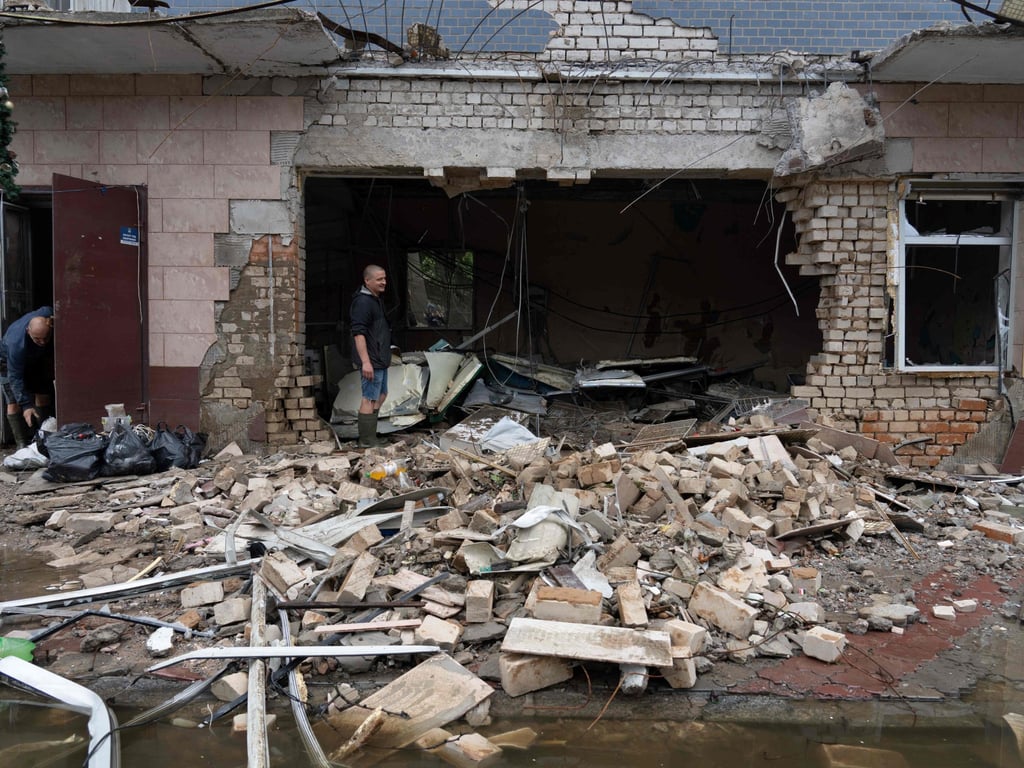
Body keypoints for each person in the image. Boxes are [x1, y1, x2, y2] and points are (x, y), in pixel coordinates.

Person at [0, 306, 54, 448]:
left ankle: (44, 437)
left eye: (46, 337)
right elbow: (15, 377)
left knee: (43, 395)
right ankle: (21, 445)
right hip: (8, 364)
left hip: (34, 360)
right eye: (38, 339)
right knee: (13, 403)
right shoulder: (16, 344)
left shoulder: (47, 315)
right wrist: (25, 405)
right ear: (28, 331)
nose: (43, 342)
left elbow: (48, 308)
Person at [350, 265, 391, 448]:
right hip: (372, 360)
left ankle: (371, 435)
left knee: (381, 394)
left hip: (380, 359)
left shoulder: (375, 300)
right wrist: (366, 362)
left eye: (384, 278)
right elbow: (358, 334)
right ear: (367, 281)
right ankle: (366, 441)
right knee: (369, 398)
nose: (383, 282)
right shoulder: (363, 302)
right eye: (379, 279)